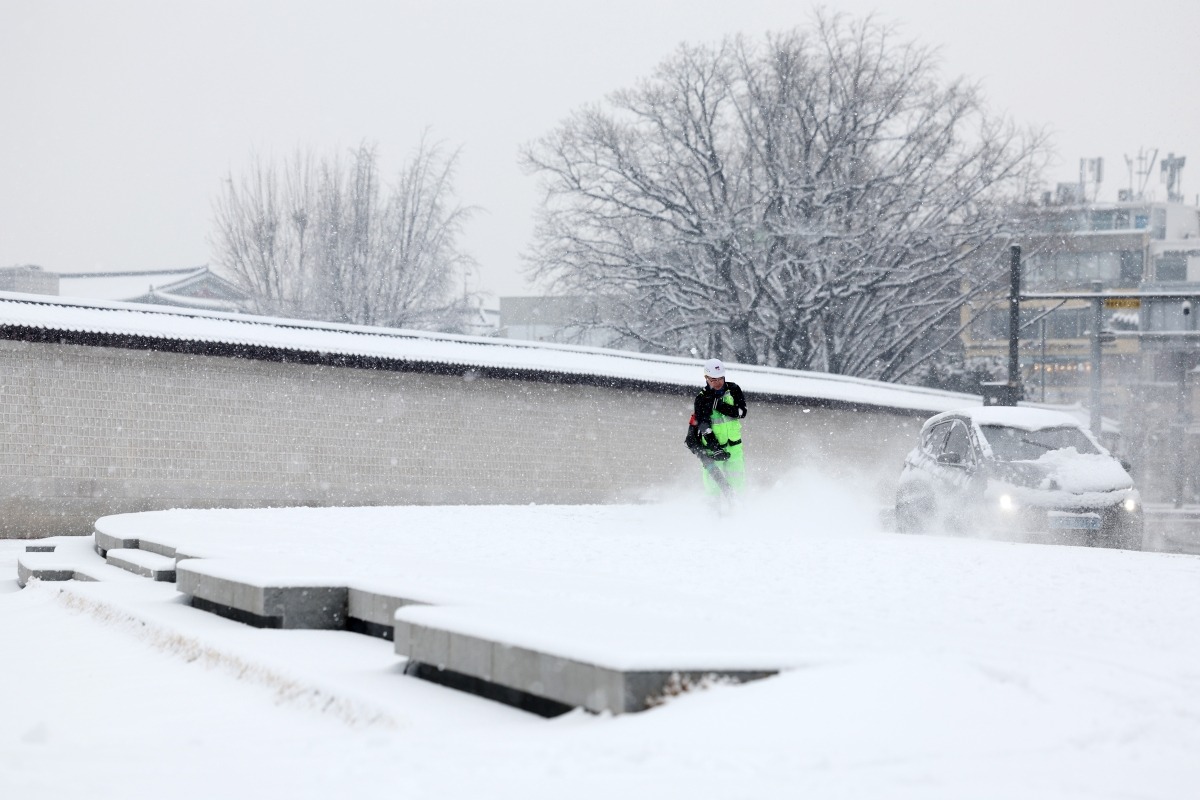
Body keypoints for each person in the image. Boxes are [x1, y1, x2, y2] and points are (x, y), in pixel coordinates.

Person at [684, 358, 747, 497]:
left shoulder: (734, 389)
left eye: (720, 379)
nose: (718, 383)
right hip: (713, 448)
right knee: (713, 484)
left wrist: (718, 405)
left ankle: (739, 506)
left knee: (738, 480)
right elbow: (703, 425)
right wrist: (715, 447)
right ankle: (715, 510)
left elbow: (741, 412)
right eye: (713, 380)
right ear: (706, 378)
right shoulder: (702, 399)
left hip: (734, 445)